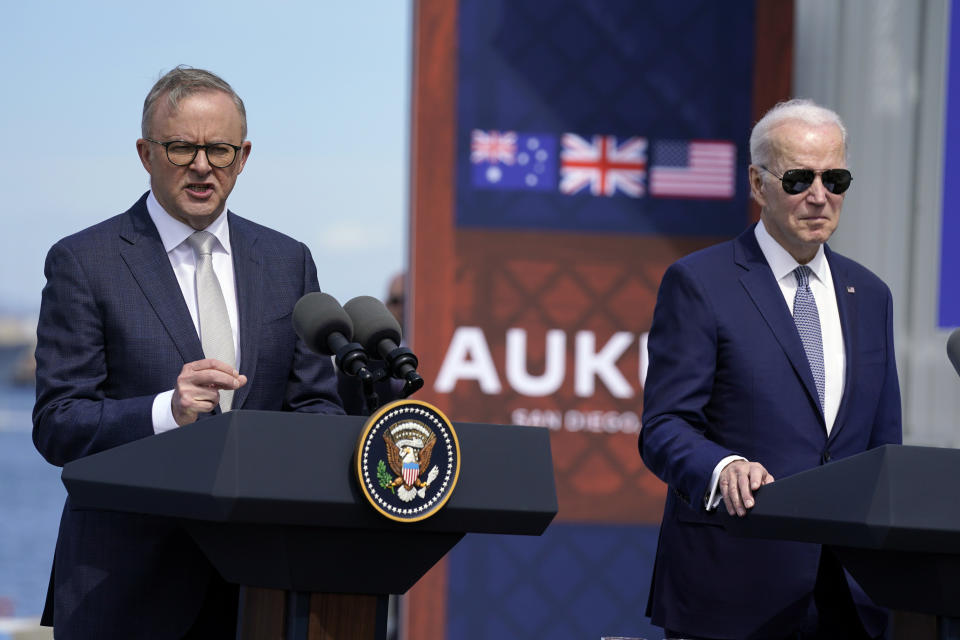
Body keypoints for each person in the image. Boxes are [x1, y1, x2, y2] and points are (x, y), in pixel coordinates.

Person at [32, 66, 344, 639]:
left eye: (219, 149)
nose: (202, 165)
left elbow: (317, 409)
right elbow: (58, 425)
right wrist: (166, 412)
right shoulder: (84, 262)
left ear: (243, 156)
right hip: (124, 593)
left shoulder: (288, 262)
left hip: (262, 590)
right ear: (145, 152)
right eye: (181, 148)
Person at [639, 99, 901, 639]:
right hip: (733, 590)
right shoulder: (700, 283)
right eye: (799, 178)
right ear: (758, 185)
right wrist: (722, 467)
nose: (819, 195)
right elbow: (664, 427)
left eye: (836, 178)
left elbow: (884, 447)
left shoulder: (870, 294)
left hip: (850, 600)